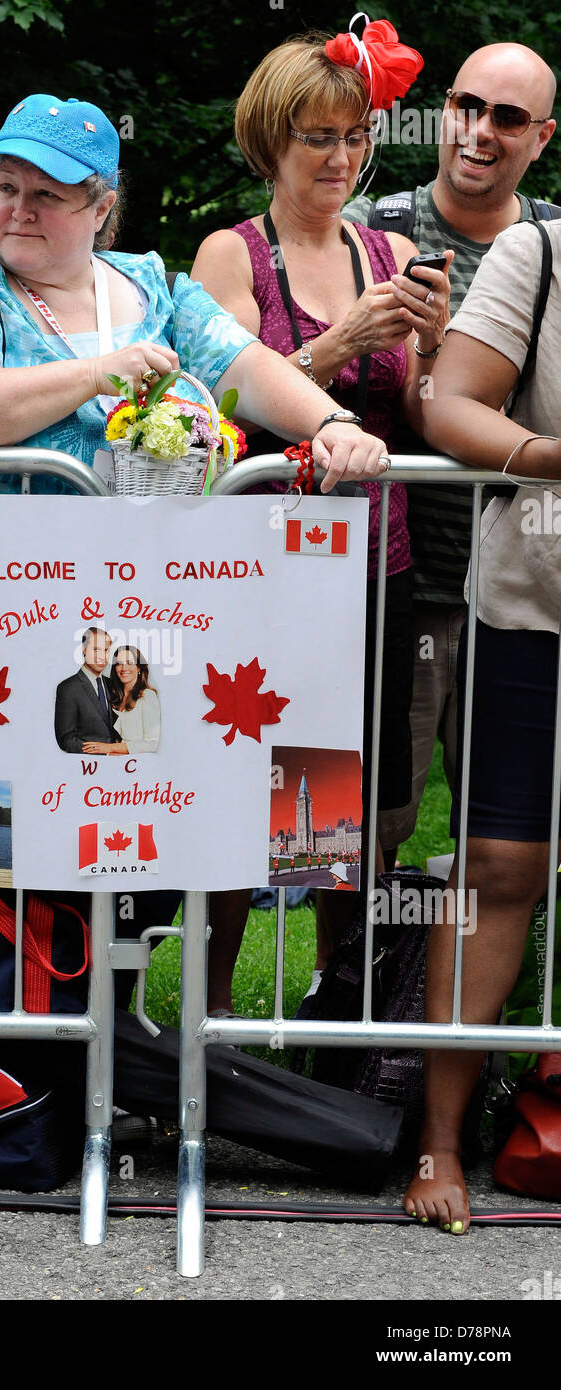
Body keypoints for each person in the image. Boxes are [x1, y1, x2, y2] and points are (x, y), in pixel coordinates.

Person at [189, 20, 451, 1014]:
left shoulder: (386, 249)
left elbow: (417, 424)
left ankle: (334, 1034)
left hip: (367, 573)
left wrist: (424, 351)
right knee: (229, 813)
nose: (338, 157)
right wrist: (338, 342)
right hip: (252, 580)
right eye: (316, 137)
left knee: (338, 823)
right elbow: (218, 409)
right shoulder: (230, 255)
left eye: (353, 138)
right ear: (269, 141)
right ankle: (203, 1038)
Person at [0, 91, 393, 494]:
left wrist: (331, 423)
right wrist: (92, 375)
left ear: (101, 209)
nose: (21, 209)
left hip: (139, 586)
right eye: (5, 188)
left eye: (46, 194)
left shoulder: (153, 286)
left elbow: (246, 365)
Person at [344, 43, 557, 864]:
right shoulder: (372, 232)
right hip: (397, 581)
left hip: (521, 588)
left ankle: (493, 988)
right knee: (365, 821)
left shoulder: (553, 249)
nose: (480, 132)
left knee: (516, 830)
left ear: (541, 137)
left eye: (508, 118)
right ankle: (344, 983)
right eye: (468, 107)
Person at [403, 214, 561, 1233]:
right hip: (534, 608)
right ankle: (440, 1142)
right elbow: (447, 404)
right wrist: (543, 455)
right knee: (497, 870)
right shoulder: (538, 251)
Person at [85, 645, 160, 756]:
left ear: (139, 667)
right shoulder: (111, 696)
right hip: (109, 761)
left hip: (135, 766)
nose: (124, 668)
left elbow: (151, 744)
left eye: (129, 663)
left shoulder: (147, 696)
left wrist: (108, 749)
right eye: (119, 664)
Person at [54, 628, 116, 754]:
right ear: (84, 650)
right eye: (96, 649)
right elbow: (66, 740)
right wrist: (104, 752)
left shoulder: (112, 684)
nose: (101, 656)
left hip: (119, 766)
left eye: (105, 650)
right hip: (88, 767)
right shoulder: (68, 688)